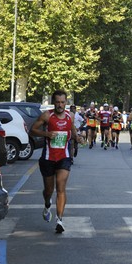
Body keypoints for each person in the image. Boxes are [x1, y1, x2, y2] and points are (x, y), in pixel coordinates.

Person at [30, 90, 84, 233]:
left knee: (61, 187)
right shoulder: (47, 116)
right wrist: (46, 134)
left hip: (64, 157)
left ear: (66, 103)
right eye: (58, 102)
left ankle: (60, 220)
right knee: (49, 190)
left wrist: (78, 138)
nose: (60, 105)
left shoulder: (70, 116)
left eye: (63, 102)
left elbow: (72, 132)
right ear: (54, 102)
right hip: (48, 158)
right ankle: (47, 204)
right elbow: (32, 130)